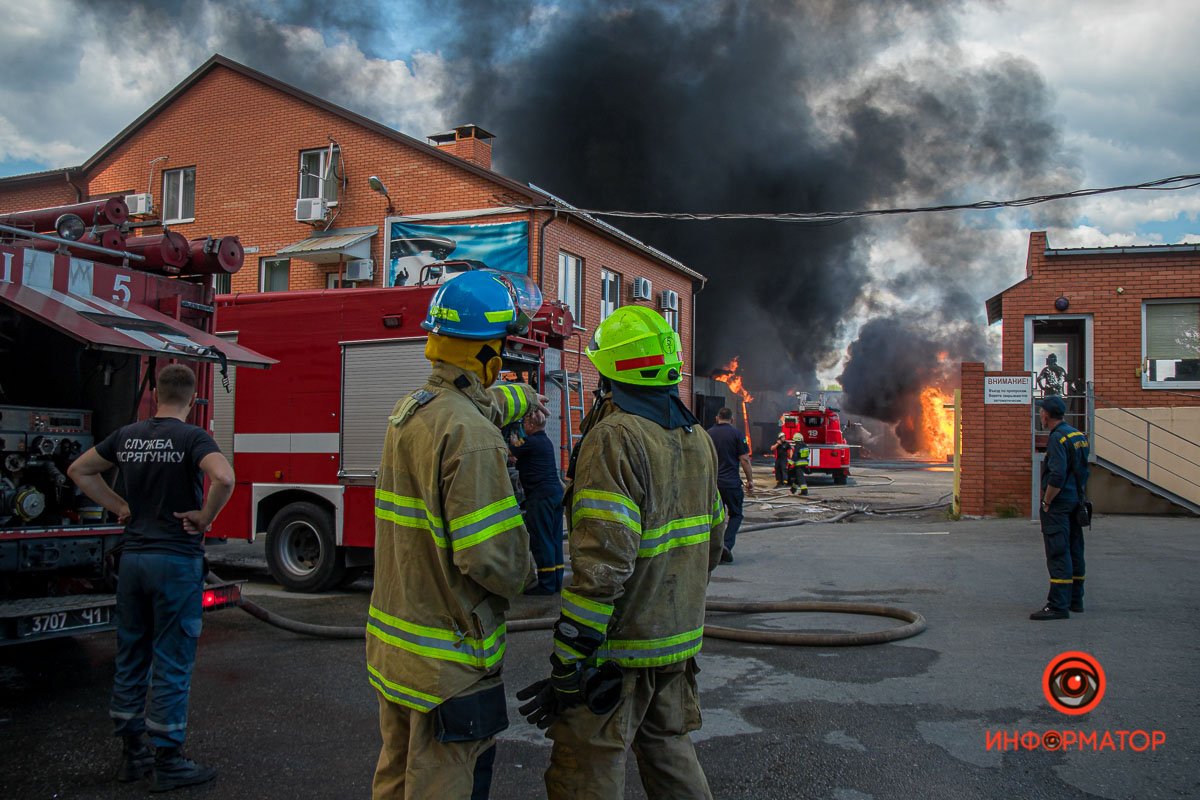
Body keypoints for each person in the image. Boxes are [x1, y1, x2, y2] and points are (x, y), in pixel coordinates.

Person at [517, 305, 725, 800]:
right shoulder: (697, 437)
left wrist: (570, 657)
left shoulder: (615, 437)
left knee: (587, 765)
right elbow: (712, 544)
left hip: (619, 647)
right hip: (677, 639)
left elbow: (602, 566)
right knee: (669, 751)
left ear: (611, 371)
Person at [368, 269, 547, 799]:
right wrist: (535, 571)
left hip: (398, 653)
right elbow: (491, 558)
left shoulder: (412, 410)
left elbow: (478, 401)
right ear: (488, 353)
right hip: (449, 663)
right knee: (441, 785)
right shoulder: (473, 438)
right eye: (502, 347)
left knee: (397, 777)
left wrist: (523, 399)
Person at [67, 363, 234, 792]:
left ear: (155, 395)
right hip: (174, 562)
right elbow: (223, 477)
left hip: (134, 561)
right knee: (173, 659)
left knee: (132, 655)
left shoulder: (127, 435)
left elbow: (80, 471)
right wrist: (204, 517)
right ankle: (169, 759)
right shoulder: (192, 437)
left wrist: (120, 506)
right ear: (194, 398)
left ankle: (132, 753)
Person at [1031, 394, 1090, 620]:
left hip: (1059, 504)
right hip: (1076, 501)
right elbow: (1083, 471)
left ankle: (1058, 605)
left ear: (1045, 415)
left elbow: (1057, 475)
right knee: (1075, 549)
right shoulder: (1077, 435)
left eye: (1041, 412)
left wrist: (1047, 501)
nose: (1040, 415)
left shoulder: (1057, 438)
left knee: (1058, 551)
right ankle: (1076, 600)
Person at [509, 411, 566, 594]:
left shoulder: (530, 442)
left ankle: (546, 585)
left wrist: (511, 435)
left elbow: (511, 450)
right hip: (555, 495)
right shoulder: (545, 441)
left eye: (525, 422)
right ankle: (556, 582)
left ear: (532, 425)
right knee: (554, 540)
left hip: (541, 498)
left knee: (542, 541)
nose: (524, 425)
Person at [707, 407, 755, 563]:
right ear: (732, 419)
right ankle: (726, 545)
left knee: (712, 516)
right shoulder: (737, 434)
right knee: (736, 514)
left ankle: (709, 548)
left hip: (712, 484)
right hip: (731, 484)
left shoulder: (707, 434)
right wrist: (750, 481)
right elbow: (745, 460)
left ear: (717, 418)